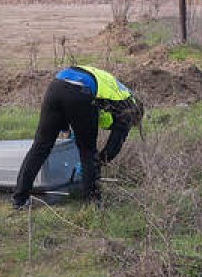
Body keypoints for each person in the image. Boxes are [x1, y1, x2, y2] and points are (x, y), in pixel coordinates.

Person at [12, 65, 143, 209]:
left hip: (57, 85)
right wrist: (98, 162)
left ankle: (19, 200)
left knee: (40, 147)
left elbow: (69, 102)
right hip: (81, 90)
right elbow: (113, 146)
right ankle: (92, 204)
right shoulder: (129, 108)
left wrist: (65, 126)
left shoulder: (118, 92)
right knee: (88, 151)